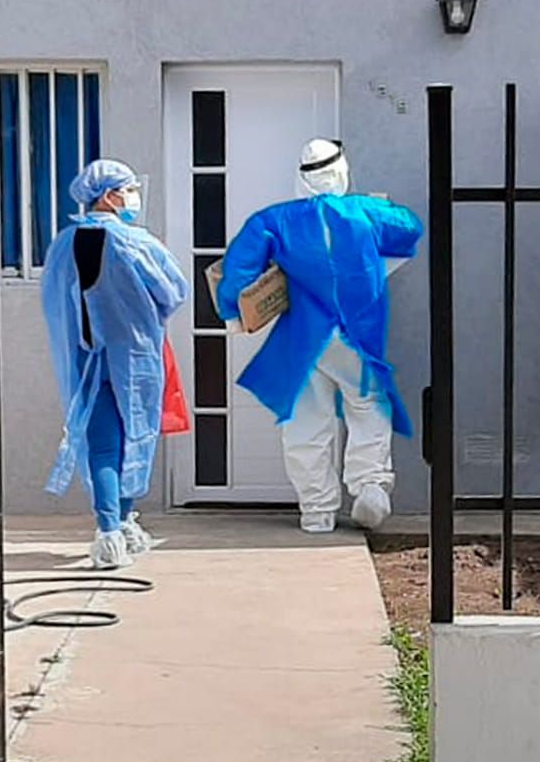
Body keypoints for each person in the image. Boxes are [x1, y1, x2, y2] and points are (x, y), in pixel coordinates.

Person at [217, 139, 423, 534]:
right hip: (358, 335)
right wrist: (376, 206)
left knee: (306, 422)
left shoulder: (272, 220)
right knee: (368, 408)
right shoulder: (365, 212)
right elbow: (409, 227)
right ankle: (370, 487)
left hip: (305, 338)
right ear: (341, 172)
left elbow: (239, 271)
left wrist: (233, 314)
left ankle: (316, 510)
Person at [42, 159, 190, 568]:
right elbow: (173, 291)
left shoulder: (63, 245)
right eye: (128, 189)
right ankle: (123, 523)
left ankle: (109, 531)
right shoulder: (135, 242)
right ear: (108, 196)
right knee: (135, 439)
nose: (133, 197)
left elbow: (55, 303)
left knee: (103, 446)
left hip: (86, 359)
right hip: (135, 357)